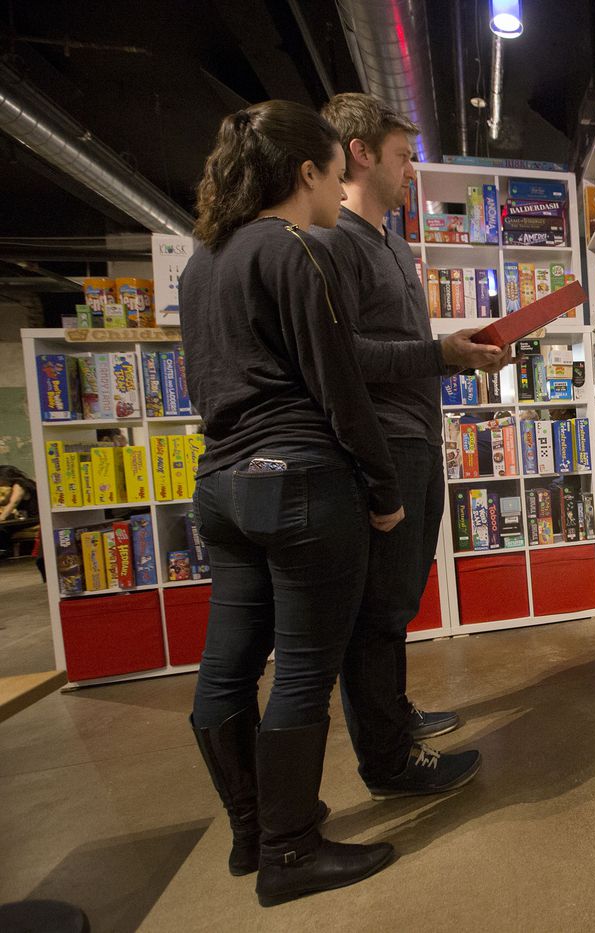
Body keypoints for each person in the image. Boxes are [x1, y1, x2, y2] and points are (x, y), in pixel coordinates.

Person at [181, 99, 401, 907]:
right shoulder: (292, 249)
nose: (340, 191)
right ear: (307, 172)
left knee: (228, 663)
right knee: (305, 669)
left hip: (222, 485)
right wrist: (383, 489)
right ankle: (292, 850)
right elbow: (339, 386)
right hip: (300, 480)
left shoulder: (201, 263)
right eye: (335, 175)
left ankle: (253, 832)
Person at [312, 93, 508, 799]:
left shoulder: (392, 244)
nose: (410, 172)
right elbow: (345, 357)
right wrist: (441, 353)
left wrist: (461, 353)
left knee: (401, 596)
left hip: (420, 437)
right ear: (360, 153)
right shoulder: (334, 242)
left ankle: (393, 716)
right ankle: (389, 761)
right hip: (385, 443)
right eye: (402, 156)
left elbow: (402, 350)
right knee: (380, 607)